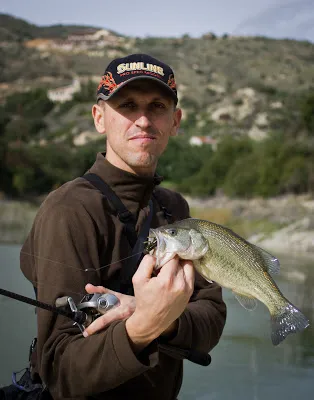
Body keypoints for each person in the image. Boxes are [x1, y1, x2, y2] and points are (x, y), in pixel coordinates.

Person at [19, 53, 227, 400]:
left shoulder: (174, 207)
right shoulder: (68, 210)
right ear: (99, 118)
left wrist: (166, 319)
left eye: (157, 106)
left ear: (175, 122)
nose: (143, 120)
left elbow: (212, 316)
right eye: (127, 105)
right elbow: (60, 372)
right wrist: (143, 326)